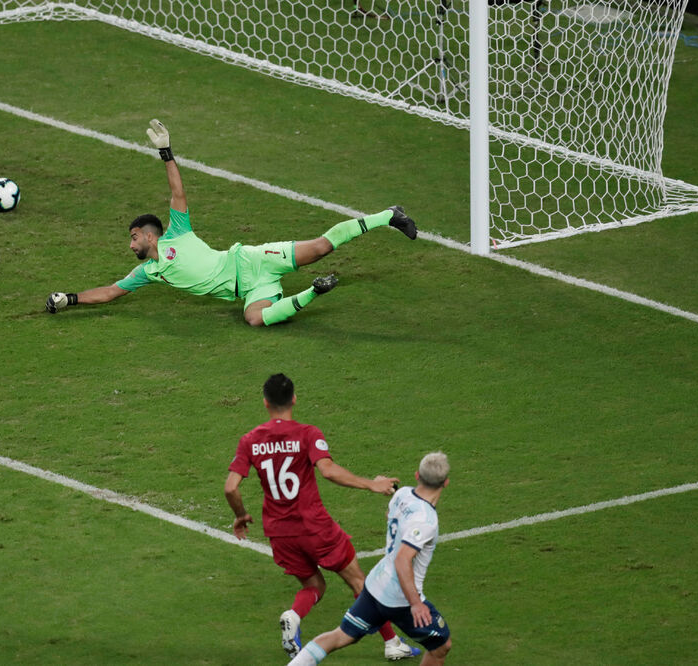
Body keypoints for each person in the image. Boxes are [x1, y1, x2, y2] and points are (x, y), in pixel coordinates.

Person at [45, 119, 417, 326]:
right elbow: (110, 292)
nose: (130, 246)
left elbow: (178, 195)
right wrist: (70, 299)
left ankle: (389, 216)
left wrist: (166, 153)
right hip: (250, 288)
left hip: (251, 261)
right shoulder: (148, 273)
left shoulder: (177, 232)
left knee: (320, 247)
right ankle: (315, 292)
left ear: (147, 234)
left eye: (132, 238)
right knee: (255, 319)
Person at [224, 374, 420, 660]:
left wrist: (241, 515)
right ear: (294, 398)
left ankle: (294, 615)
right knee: (359, 583)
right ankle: (392, 643)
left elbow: (231, 487)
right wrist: (371, 483)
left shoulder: (250, 440)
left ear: (265, 402)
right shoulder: (307, 433)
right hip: (314, 527)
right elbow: (327, 470)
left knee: (314, 585)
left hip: (279, 533)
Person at [287, 452, 453, 666]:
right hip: (400, 599)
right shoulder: (426, 520)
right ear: (446, 483)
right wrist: (415, 604)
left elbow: (391, 514)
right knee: (441, 646)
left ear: (417, 475)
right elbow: (402, 560)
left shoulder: (402, 494)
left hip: (375, 586)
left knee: (340, 636)